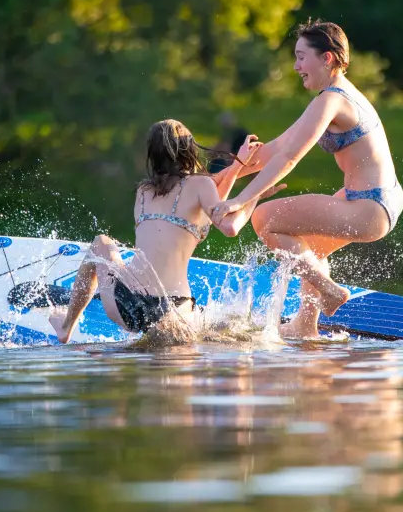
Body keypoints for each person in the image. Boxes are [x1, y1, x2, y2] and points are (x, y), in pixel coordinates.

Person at [211, 19, 403, 339]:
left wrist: (240, 200)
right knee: (309, 251)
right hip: (374, 200)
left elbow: (289, 158)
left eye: (302, 56)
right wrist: (219, 176)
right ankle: (305, 325)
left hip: (369, 206)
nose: (296, 65)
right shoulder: (332, 96)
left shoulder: (332, 99)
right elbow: (275, 149)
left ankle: (330, 291)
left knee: (264, 219)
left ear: (326, 58)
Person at [49, 120, 278, 344]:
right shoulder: (200, 186)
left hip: (124, 303)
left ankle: (67, 325)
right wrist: (255, 194)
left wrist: (239, 165)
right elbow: (223, 219)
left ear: (153, 155)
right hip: (173, 312)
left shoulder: (143, 192)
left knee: (101, 243)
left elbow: (206, 199)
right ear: (189, 150)